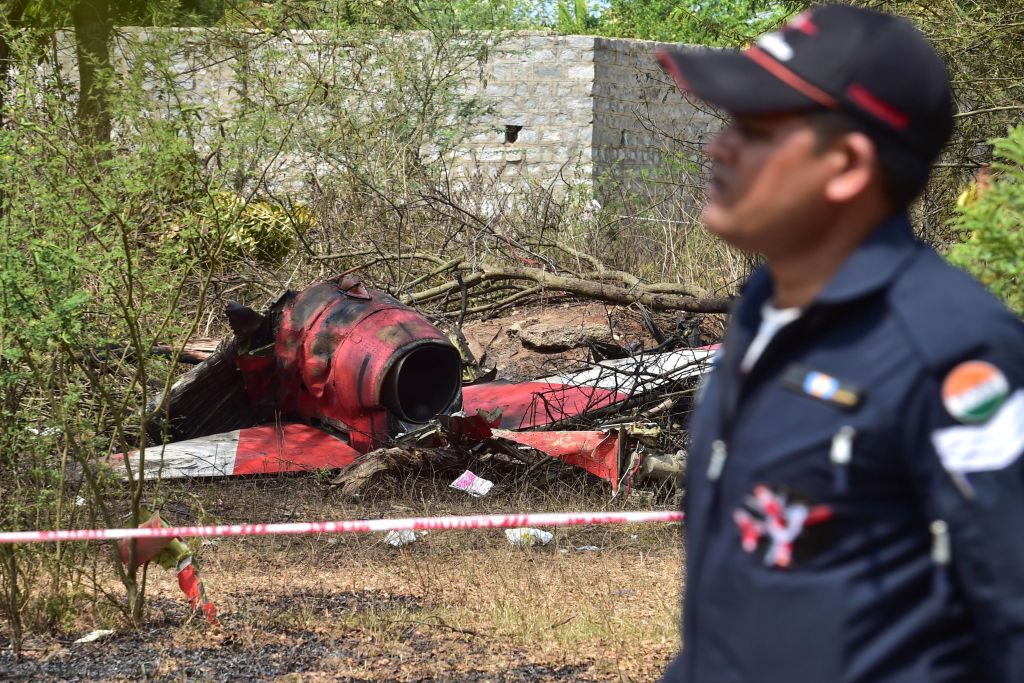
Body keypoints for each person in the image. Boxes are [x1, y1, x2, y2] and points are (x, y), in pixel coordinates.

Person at [655, 4, 1024, 682]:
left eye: (755, 127)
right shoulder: (765, 312)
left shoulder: (953, 352)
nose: (717, 146)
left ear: (848, 164)